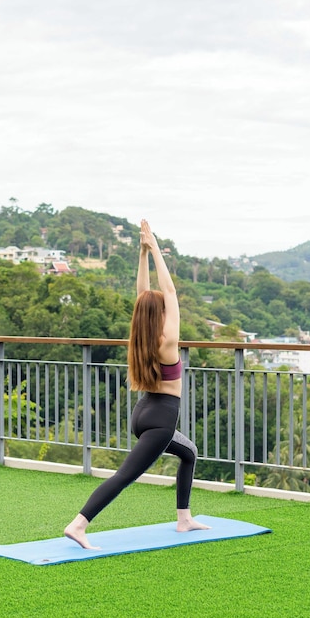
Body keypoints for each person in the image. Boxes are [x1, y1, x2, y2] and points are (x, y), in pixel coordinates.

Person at [64, 220, 209, 549]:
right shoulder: (167, 341)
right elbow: (168, 292)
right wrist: (155, 246)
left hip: (144, 412)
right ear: (160, 314)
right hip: (160, 421)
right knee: (124, 476)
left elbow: (144, 294)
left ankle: (184, 518)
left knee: (189, 454)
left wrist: (142, 252)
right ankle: (78, 524)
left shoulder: (142, 338)